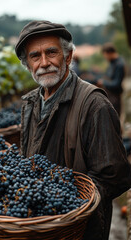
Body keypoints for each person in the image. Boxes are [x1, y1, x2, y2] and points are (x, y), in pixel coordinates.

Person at [15, 20, 131, 240]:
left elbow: (115, 177)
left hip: (79, 230)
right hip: (39, 227)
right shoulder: (30, 104)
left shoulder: (95, 105)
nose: (44, 62)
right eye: (34, 56)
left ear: (67, 57)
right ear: (27, 65)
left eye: (52, 52)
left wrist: (63, 203)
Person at [96, 43, 126, 116]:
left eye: (105, 55)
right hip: (110, 96)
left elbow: (117, 83)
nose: (105, 57)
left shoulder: (119, 64)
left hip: (115, 97)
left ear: (109, 53)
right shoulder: (112, 63)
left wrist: (103, 82)